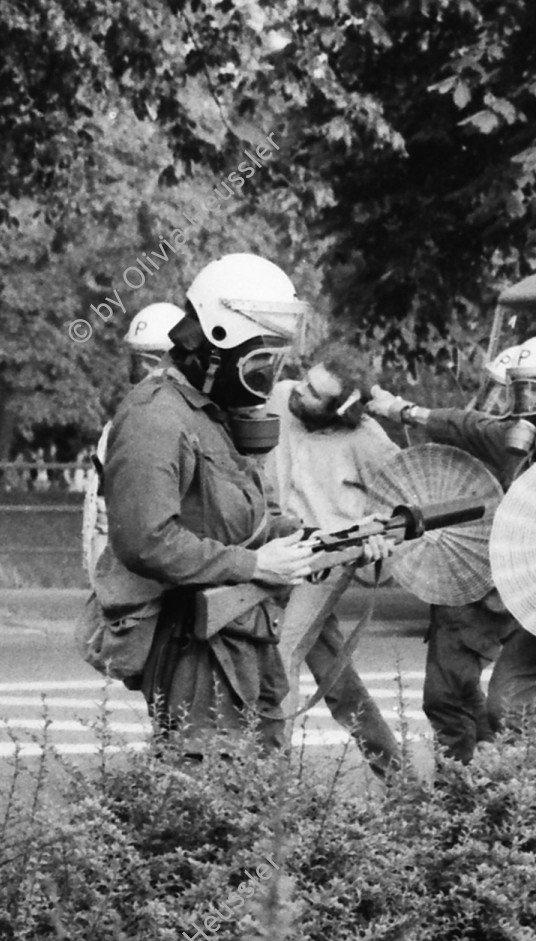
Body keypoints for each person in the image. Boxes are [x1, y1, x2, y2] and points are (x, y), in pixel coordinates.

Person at [99, 254, 346, 754]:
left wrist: (324, 543)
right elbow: (143, 539)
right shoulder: (156, 417)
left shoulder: (211, 413)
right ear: (214, 346)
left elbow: (242, 517)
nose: (269, 376)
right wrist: (255, 564)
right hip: (195, 648)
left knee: (257, 794)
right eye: (260, 362)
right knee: (208, 794)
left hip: (245, 636)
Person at [368, 369, 536, 762]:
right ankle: (471, 795)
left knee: (506, 705)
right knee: (465, 699)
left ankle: (507, 795)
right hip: (483, 583)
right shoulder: (511, 439)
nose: (522, 413)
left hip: (515, 597)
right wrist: (402, 409)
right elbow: (465, 424)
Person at [263, 344, 404, 775]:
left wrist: (381, 538)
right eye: (305, 380)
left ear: (339, 409)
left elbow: (402, 504)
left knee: (280, 656)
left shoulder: (368, 441)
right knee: (336, 677)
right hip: (274, 544)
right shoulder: (280, 397)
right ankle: (399, 778)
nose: (298, 391)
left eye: (312, 392)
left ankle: (271, 786)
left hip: (327, 560)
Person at [83, 302, 186, 577]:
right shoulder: (121, 422)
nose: (140, 370)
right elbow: (102, 517)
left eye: (148, 360)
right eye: (138, 360)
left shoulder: (185, 425)